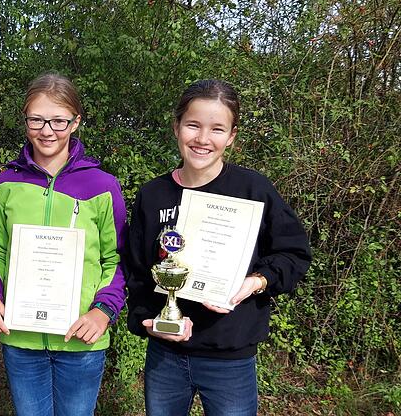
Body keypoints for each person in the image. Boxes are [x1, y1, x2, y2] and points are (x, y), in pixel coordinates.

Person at [125, 79, 312, 415]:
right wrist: (147, 320)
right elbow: (137, 272)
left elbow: (293, 253)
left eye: (217, 129)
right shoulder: (152, 196)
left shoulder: (253, 189)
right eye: (193, 125)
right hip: (165, 357)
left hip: (230, 357)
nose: (202, 139)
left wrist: (255, 282)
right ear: (177, 126)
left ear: (232, 136)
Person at [0, 73, 127, 416]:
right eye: (37, 120)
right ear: (25, 120)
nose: (47, 130)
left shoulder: (102, 186)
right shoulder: (4, 186)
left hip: (81, 339)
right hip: (21, 337)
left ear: (76, 122)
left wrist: (103, 311)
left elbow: (116, 259)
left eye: (58, 120)